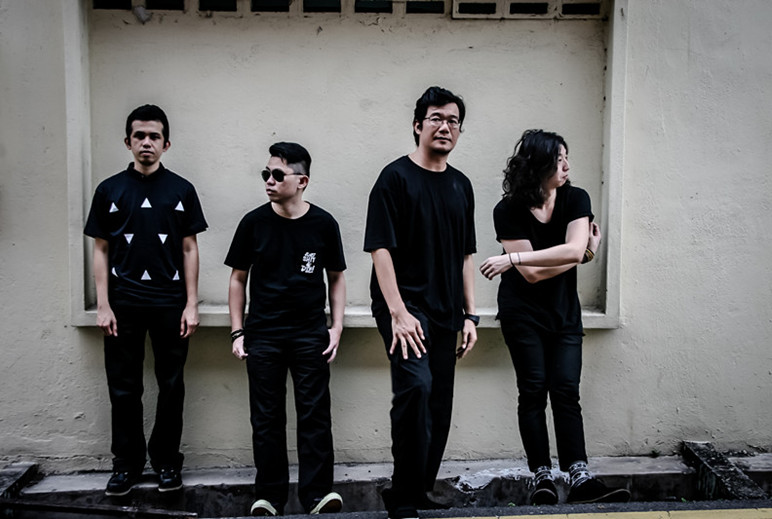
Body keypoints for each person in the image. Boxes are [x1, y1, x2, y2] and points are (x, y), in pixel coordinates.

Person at [479, 129, 630, 505]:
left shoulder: (576, 198)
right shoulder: (507, 210)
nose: (566, 166)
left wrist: (514, 258)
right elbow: (534, 274)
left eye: (566, 157)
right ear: (537, 165)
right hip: (522, 313)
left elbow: (574, 249)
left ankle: (580, 477)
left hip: (563, 313)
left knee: (565, 390)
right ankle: (542, 476)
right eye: (558, 159)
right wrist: (578, 254)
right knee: (532, 390)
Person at [363, 86, 479, 519]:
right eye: (436, 118)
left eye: (453, 121)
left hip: (447, 308)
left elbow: (466, 255)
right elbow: (380, 249)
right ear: (417, 126)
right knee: (416, 387)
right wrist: (398, 313)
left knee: (439, 403)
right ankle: (402, 492)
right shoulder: (394, 178)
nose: (445, 127)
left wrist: (471, 314)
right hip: (405, 305)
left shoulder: (461, 185)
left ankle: (418, 489)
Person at [84, 104, 208, 496]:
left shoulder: (182, 190)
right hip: (123, 304)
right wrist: (103, 304)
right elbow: (100, 250)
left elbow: (189, 248)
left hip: (171, 303)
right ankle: (126, 465)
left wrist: (191, 303)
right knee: (124, 388)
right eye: (139, 136)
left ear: (166, 144)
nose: (147, 143)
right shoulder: (109, 190)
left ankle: (167, 462)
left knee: (171, 386)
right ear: (128, 142)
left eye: (154, 136)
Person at [225, 142, 346, 516]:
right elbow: (237, 279)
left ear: (302, 181)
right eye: (266, 174)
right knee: (266, 419)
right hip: (263, 336)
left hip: (310, 335)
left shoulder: (323, 224)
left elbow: (336, 277)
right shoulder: (253, 223)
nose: (269, 181)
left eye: (278, 174)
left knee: (315, 415)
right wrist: (237, 331)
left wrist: (336, 327)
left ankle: (317, 496)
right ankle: (269, 498)